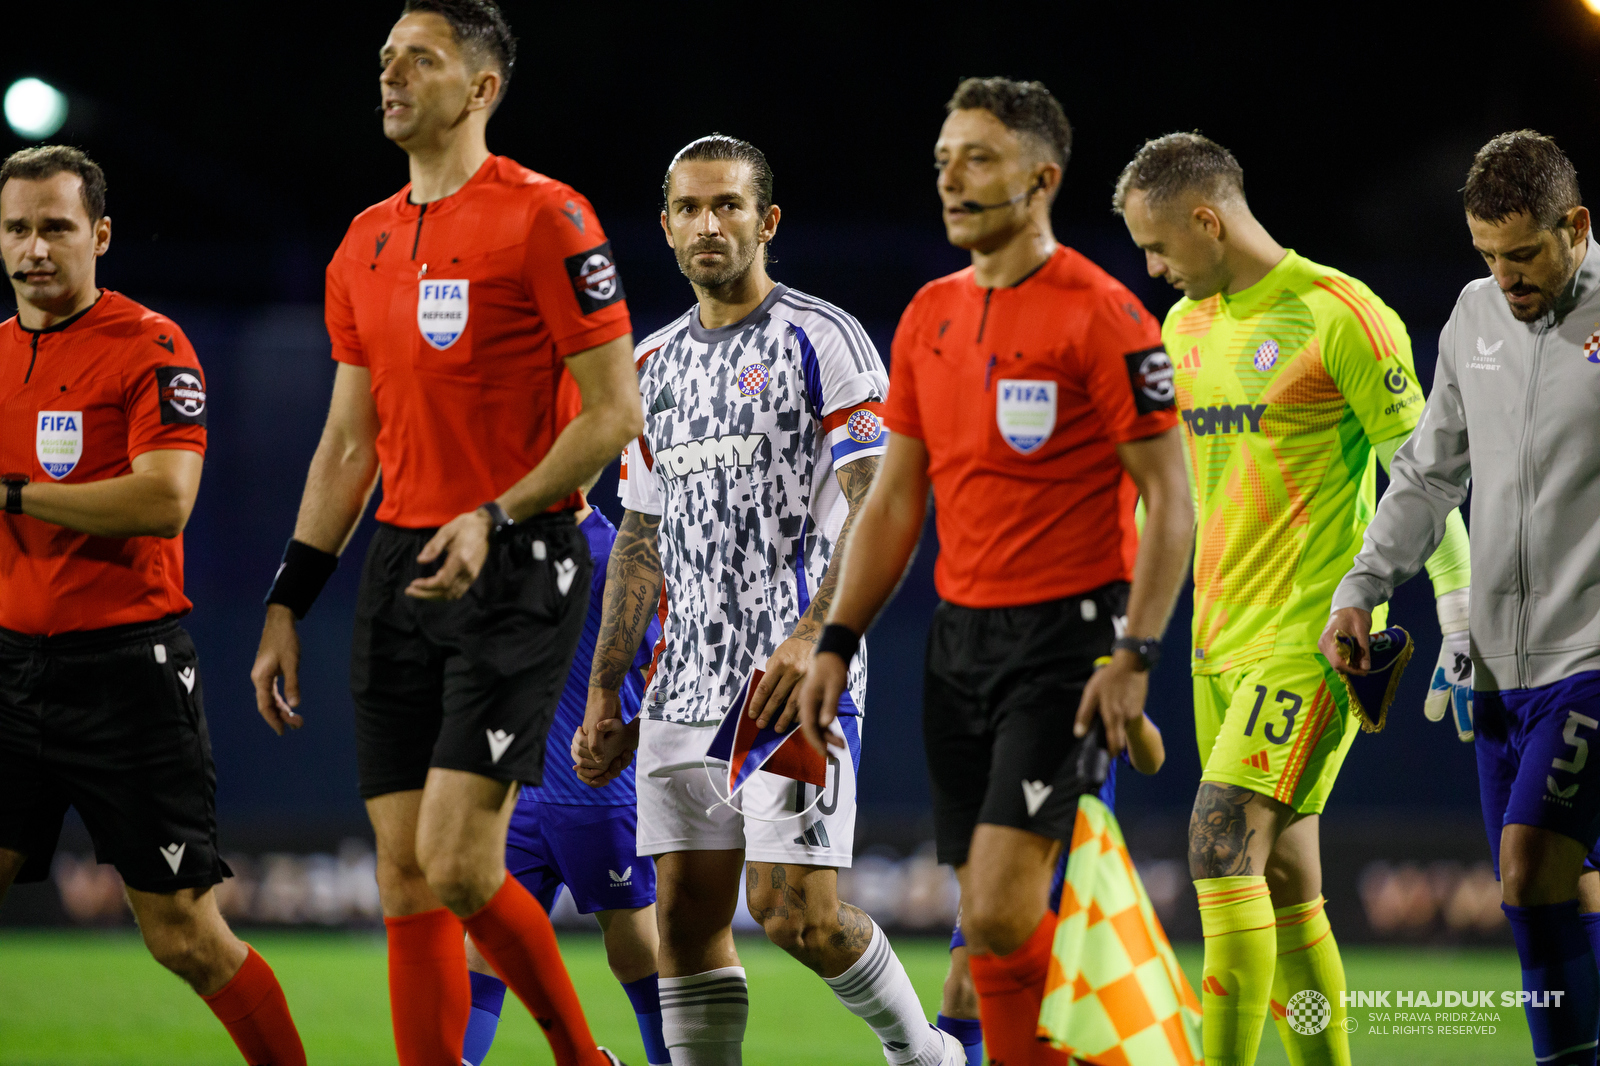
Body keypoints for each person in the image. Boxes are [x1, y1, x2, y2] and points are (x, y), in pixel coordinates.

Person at [247, 3, 642, 1065]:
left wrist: (496, 512)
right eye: (384, 57)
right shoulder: (363, 241)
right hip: (398, 563)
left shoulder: (547, 218)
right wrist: (289, 598)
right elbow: (345, 445)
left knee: (462, 864)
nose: (390, 74)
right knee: (405, 874)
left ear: (482, 89)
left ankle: (578, 1054)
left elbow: (613, 411)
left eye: (419, 58)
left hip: (522, 562)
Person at [797, 77, 1195, 1066]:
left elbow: (1171, 503)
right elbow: (893, 502)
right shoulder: (927, 315)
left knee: (1001, 905)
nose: (952, 179)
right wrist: (834, 639)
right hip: (957, 640)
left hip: (1067, 643)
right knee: (984, 920)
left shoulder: (1104, 318)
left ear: (1041, 177)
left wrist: (1134, 653)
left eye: (977, 158)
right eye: (942, 160)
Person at [574, 134, 962, 1066]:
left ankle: (929, 1058)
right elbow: (639, 534)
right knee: (686, 921)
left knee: (796, 914)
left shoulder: (822, 339)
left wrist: (814, 637)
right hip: (677, 690)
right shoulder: (651, 364)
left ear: (766, 220)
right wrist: (606, 687)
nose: (710, 224)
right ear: (666, 227)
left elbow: (876, 503)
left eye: (730, 206)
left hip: (789, 678)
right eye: (691, 209)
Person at [1113, 132, 1474, 1066]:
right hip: (1215, 643)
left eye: (1157, 247)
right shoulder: (1182, 330)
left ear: (1207, 219)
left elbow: (1422, 481)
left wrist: (1460, 614)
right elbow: (1178, 498)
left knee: (1217, 841)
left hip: (1314, 641)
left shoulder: (1339, 316)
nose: (1151, 270)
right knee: (1285, 884)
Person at [0, 145, 306, 1066]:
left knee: (185, 939)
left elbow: (165, 498)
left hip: (127, 678)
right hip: (13, 672)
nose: (35, 249)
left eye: (56, 227)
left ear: (99, 234)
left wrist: (14, 494)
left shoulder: (152, 344)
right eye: (18, 228)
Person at [1323, 130, 1600, 1066]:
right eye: (1487, 255)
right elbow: (1428, 475)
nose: (1506, 277)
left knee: (1530, 871)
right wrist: (1361, 588)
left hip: (1590, 659)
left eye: (1523, 254)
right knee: (1546, 896)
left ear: (1577, 226)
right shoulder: (1473, 317)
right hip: (1494, 671)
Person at [463, 394, 669, 1066]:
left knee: (633, 944)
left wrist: (628, 737)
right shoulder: (499, 553)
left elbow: (665, 667)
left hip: (598, 797)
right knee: (486, 943)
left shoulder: (621, 558)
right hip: (518, 796)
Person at [937, 713, 1169, 1066]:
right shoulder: (989, 672)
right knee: (963, 989)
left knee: (1089, 1017)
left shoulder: (1086, 671)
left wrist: (1132, 717)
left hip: (1079, 864)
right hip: (1002, 850)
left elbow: (1151, 759)